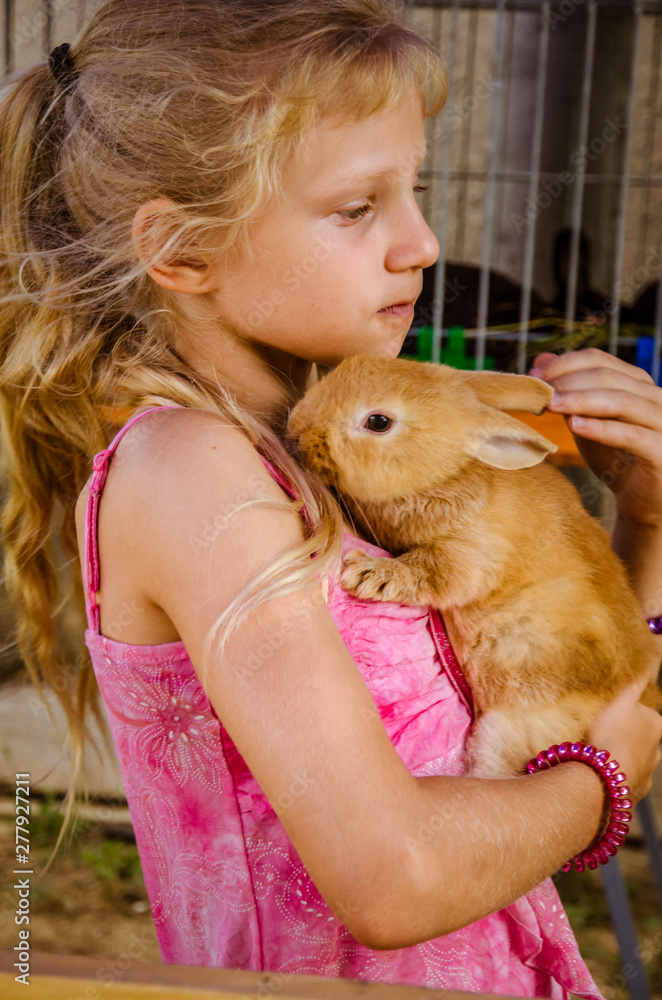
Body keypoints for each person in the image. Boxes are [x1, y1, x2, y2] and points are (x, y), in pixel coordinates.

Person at [0, 1, 660, 995]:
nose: (424, 243)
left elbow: (573, 714)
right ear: (181, 251)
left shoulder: (328, 457)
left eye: (417, 191)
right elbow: (397, 881)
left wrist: (644, 521)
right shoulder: (192, 473)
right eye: (358, 207)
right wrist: (595, 783)